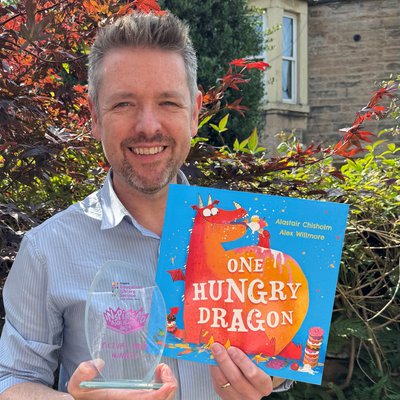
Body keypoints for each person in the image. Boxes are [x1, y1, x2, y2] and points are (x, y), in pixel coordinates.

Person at [0, 12, 292, 400]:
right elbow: (10, 379)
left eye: (168, 102)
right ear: (95, 118)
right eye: (123, 104)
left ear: (194, 112)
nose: (147, 126)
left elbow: (278, 355)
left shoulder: (254, 239)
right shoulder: (47, 250)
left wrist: (270, 376)